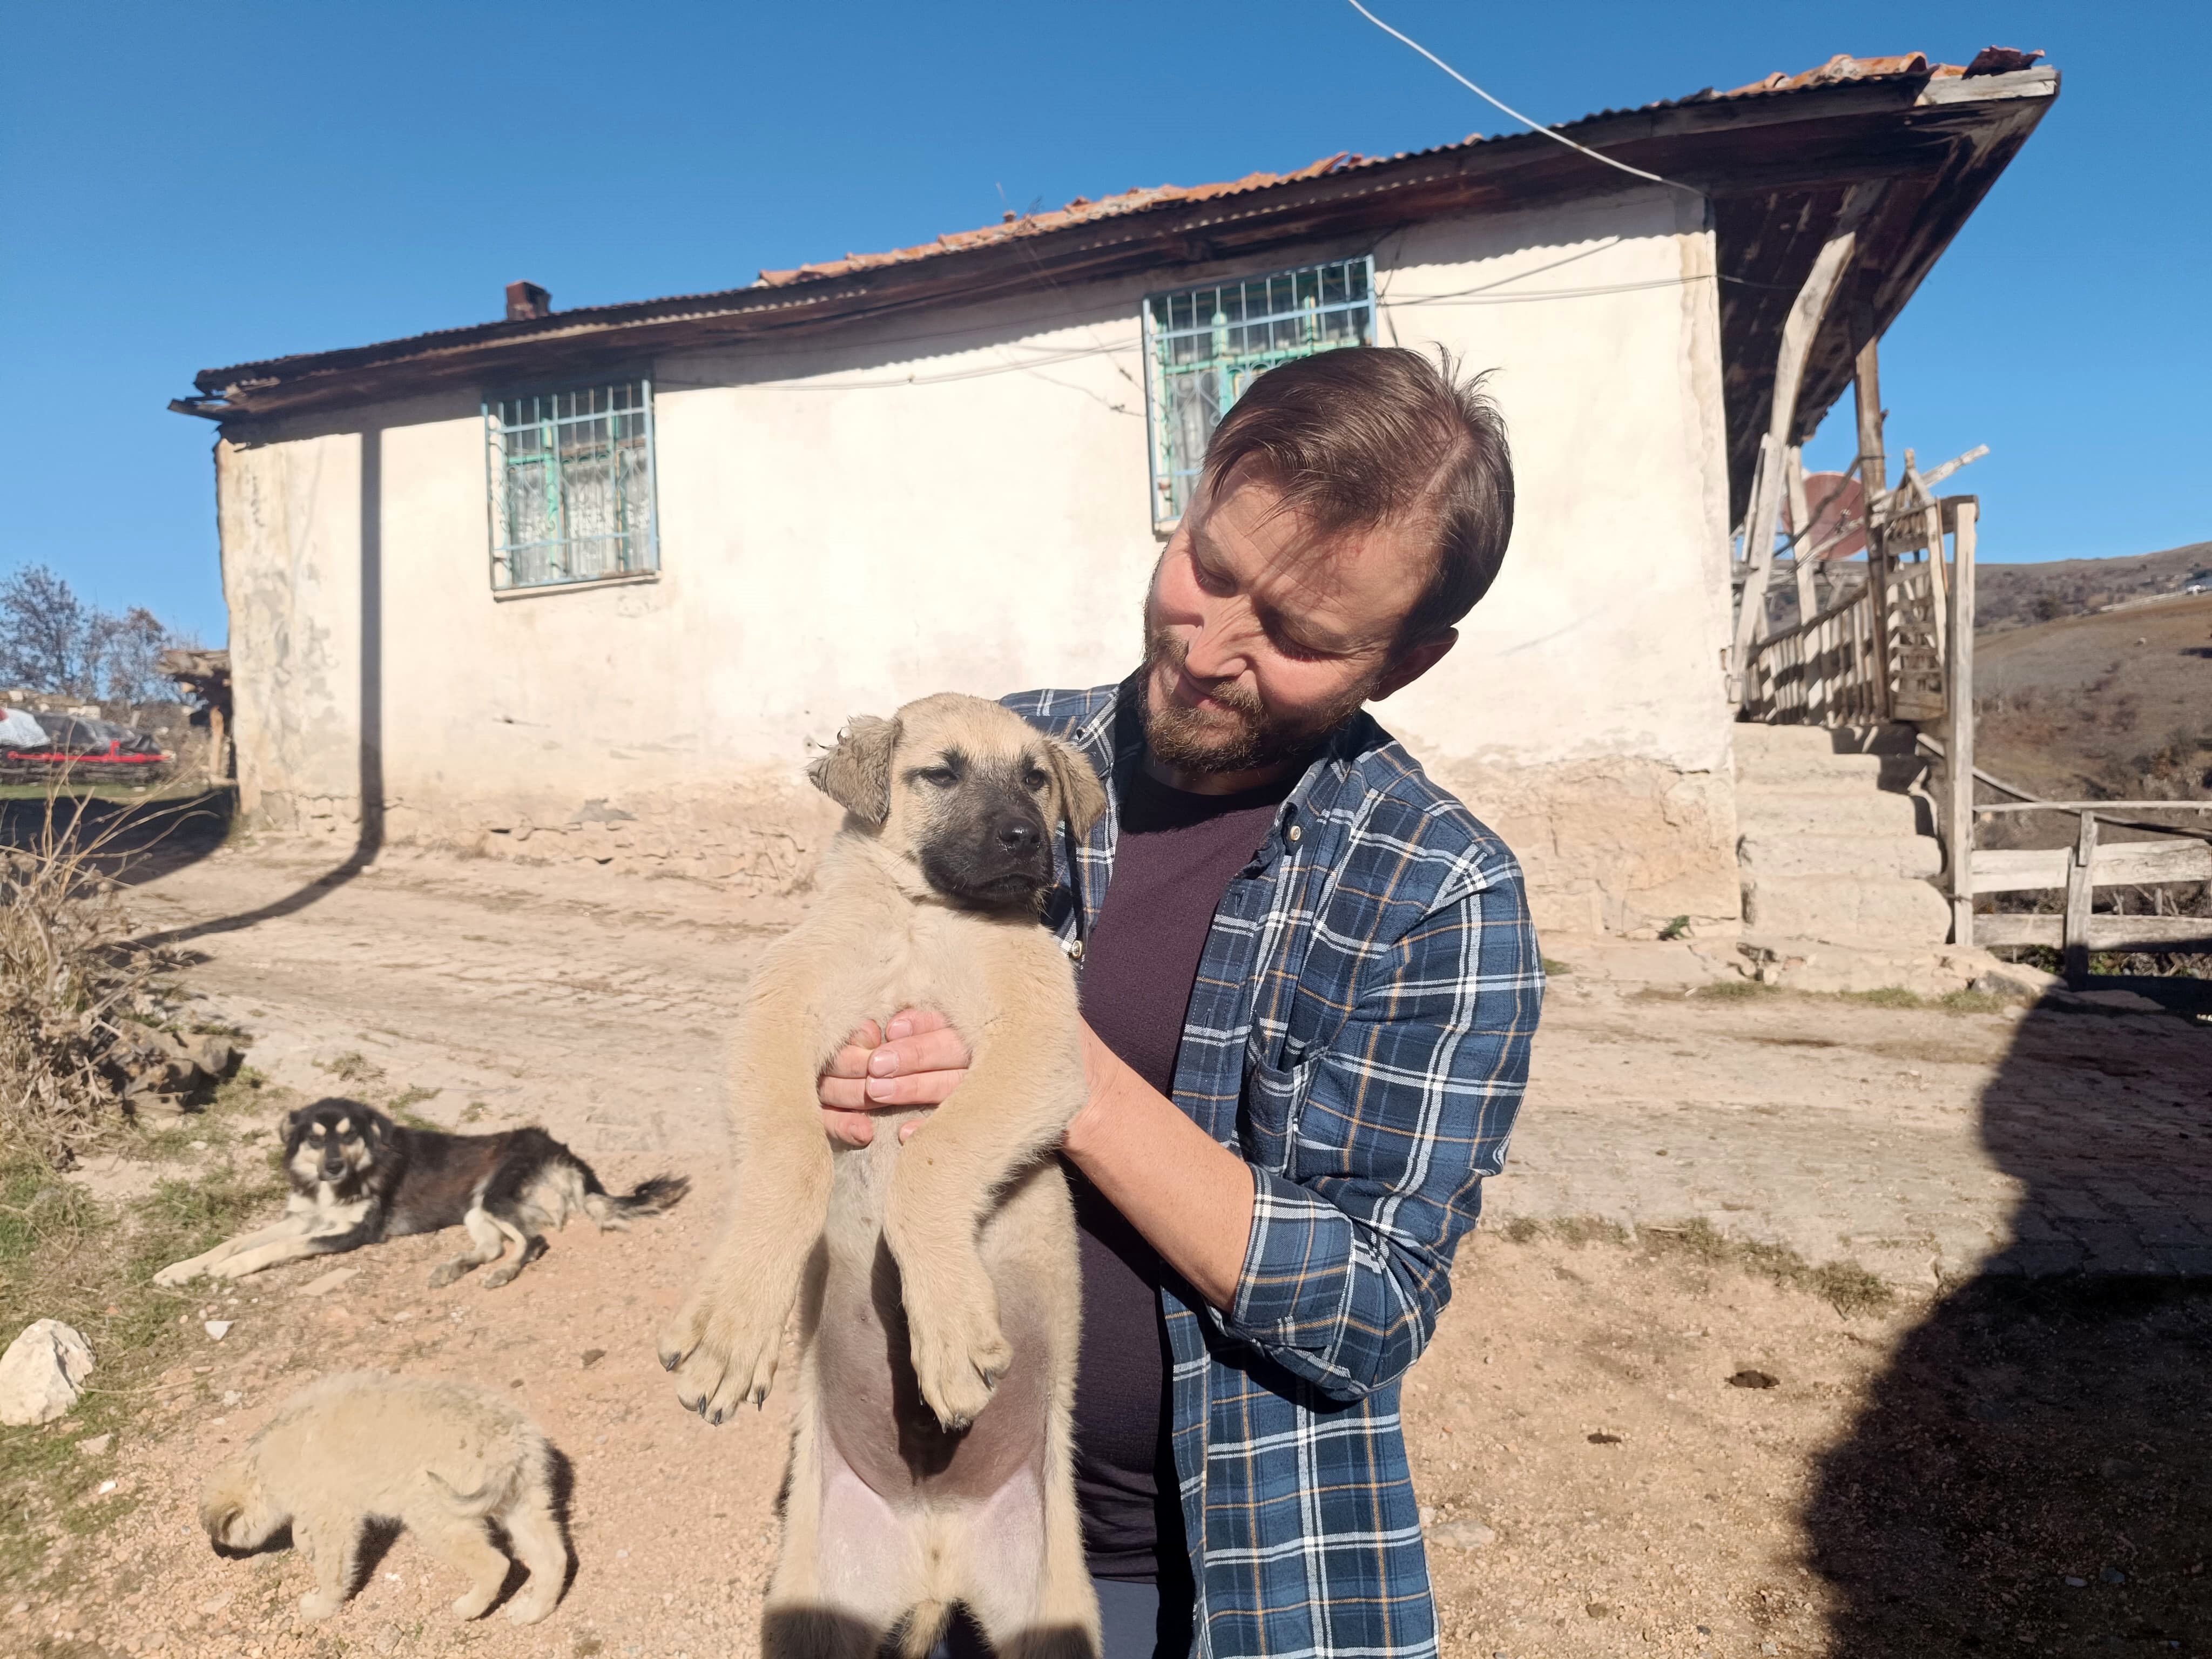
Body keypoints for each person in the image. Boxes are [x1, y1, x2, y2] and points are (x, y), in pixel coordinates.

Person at [818, 346, 1542, 1659]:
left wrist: (1063, 1079)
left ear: (1408, 660)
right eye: (1209, 568)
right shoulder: (1009, 759)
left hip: (1190, 1569)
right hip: (909, 1489)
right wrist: (847, 1079)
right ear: (1192, 497)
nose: (1208, 650)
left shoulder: (1436, 892)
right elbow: (843, 1004)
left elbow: (1369, 1305)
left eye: (1302, 638)